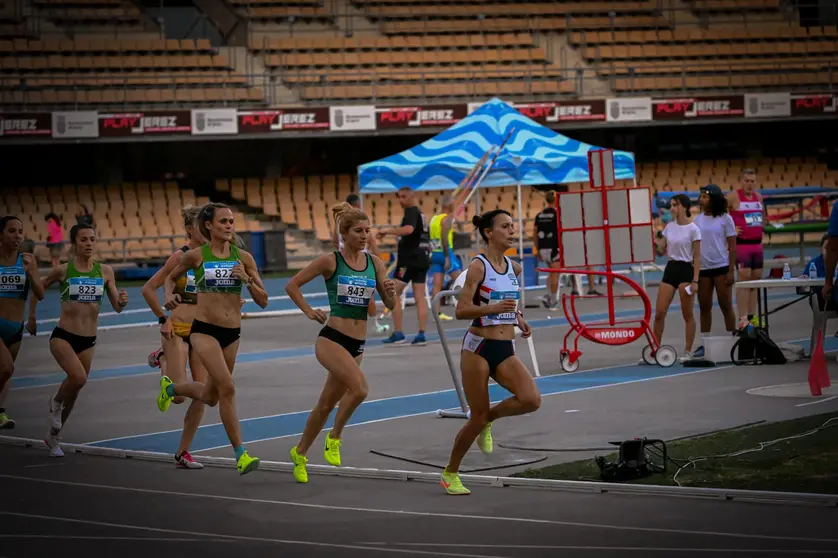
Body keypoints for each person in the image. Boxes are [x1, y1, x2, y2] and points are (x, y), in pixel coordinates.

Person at [285, 202, 397, 483]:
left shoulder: (375, 263)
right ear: (344, 234)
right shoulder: (330, 261)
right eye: (358, 231)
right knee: (359, 389)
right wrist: (309, 310)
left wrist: (390, 292)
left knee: (325, 405)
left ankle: (299, 453)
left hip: (357, 343)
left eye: (367, 231)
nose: (364, 236)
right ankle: (334, 438)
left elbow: (390, 305)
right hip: (332, 339)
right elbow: (292, 285)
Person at [156, 202, 268, 475]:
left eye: (231, 221)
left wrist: (248, 281)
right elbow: (171, 278)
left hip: (232, 333)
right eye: (223, 221)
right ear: (209, 226)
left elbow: (263, 301)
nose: (229, 226)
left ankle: (171, 389)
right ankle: (241, 454)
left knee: (211, 395)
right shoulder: (196, 256)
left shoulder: (244, 258)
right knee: (228, 388)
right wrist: (169, 297)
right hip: (204, 331)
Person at [440, 209, 541, 495]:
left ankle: (490, 420)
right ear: (489, 232)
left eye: (513, 226)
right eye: (505, 226)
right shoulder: (478, 267)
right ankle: (450, 473)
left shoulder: (514, 267)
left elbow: (509, 301)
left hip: (504, 346)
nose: (512, 231)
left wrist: (518, 316)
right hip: (478, 347)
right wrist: (492, 309)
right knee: (477, 417)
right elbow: (461, 310)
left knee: (531, 400)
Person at [37, 224, 128, 457]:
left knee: (76, 389)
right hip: (63, 336)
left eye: (92, 239)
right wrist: (29, 276)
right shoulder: (63, 271)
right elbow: (39, 289)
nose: (89, 243)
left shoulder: (105, 271)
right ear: (74, 243)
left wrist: (123, 301)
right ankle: (55, 401)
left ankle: (54, 437)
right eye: (84, 239)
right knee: (78, 377)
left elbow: (117, 306)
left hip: (88, 340)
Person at [140, 205, 207, 469]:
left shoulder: (209, 258)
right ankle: (162, 356)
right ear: (191, 230)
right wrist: (162, 318)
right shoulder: (179, 258)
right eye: (203, 226)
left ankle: (183, 452)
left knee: (202, 394)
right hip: (176, 330)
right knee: (179, 397)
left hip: (202, 332)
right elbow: (148, 289)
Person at [0, 216, 45, 429]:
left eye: (20, 231)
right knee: (6, 368)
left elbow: (41, 293)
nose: (17, 236)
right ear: (1, 235)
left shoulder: (27, 260)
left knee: (6, 373)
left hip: (15, 327)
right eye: (11, 231)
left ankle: (0, 414)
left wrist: (30, 273)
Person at [377, 186, 431, 345]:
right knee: (419, 297)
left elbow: (408, 230)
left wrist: (388, 232)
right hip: (423, 258)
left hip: (409, 260)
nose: (401, 200)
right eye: (399, 197)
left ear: (412, 197)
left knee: (391, 292)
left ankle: (399, 332)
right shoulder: (421, 215)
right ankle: (421, 334)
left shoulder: (411, 212)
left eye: (404, 197)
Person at [652, 194, 701, 362]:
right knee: (659, 313)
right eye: (671, 205)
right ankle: (655, 350)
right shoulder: (669, 227)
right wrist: (654, 241)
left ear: (684, 207)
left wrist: (695, 280)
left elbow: (698, 257)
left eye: (675, 205)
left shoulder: (693, 229)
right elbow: (660, 251)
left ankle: (688, 351)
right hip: (671, 269)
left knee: (687, 314)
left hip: (686, 270)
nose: (672, 208)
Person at [692, 184, 738, 358]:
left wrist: (731, 271)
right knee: (704, 305)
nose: (701, 199)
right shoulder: (697, 220)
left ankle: (733, 339)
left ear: (714, 199)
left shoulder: (726, 219)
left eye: (705, 196)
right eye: (701, 196)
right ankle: (705, 343)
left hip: (721, 266)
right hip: (703, 268)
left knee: (725, 304)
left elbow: (732, 247)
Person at [333, 193, 383, 329]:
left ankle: (350, 323)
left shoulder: (341, 224)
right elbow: (371, 241)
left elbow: (335, 243)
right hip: (359, 261)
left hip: (346, 261)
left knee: (350, 294)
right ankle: (374, 323)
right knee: (366, 293)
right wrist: (379, 264)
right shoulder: (357, 222)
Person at [728, 169, 764, 328]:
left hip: (757, 244)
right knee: (744, 278)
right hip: (742, 245)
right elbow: (719, 212)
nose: (750, 184)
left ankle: (752, 316)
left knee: (755, 280)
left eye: (752, 181)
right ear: (741, 181)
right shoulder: (733, 196)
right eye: (747, 181)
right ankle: (742, 317)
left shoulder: (759, 197)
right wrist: (730, 228)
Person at [429, 195, 463, 321]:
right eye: (453, 204)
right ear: (450, 205)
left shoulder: (433, 219)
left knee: (437, 285)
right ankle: (470, 309)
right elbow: (444, 237)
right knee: (462, 281)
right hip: (445, 252)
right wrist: (447, 257)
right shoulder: (447, 219)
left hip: (435, 254)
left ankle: (436, 314)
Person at [533, 190, 565, 304]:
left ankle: (550, 296)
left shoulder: (539, 215)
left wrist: (537, 250)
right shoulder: (558, 214)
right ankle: (553, 300)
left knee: (551, 273)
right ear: (556, 200)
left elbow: (534, 233)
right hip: (554, 248)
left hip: (542, 248)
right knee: (555, 273)